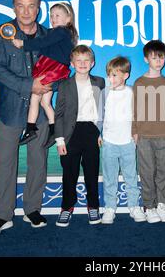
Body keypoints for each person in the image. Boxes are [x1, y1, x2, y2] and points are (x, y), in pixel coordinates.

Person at [0, 0, 51, 236]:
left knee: (38, 162)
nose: (26, 11)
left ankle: (32, 209)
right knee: (4, 164)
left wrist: (48, 83)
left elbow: (59, 68)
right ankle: (3, 215)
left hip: (41, 112)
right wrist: (29, 85)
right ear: (13, 7)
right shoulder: (0, 34)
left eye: (31, 5)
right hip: (10, 110)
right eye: (21, 6)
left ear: (38, 8)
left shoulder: (50, 36)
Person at [12, 2, 78, 148]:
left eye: (57, 16)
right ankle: (54, 130)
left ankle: (30, 128)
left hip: (50, 68)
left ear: (68, 19)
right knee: (45, 102)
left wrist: (23, 44)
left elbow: (42, 42)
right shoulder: (62, 34)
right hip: (53, 69)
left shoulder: (60, 32)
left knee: (35, 97)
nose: (53, 18)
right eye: (51, 16)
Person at [53, 45, 105, 227]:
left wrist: (101, 132)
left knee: (91, 172)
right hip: (70, 134)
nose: (82, 64)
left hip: (91, 132)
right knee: (69, 174)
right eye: (78, 61)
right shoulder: (64, 84)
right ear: (72, 63)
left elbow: (104, 110)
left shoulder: (100, 82)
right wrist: (59, 140)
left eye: (86, 61)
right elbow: (58, 114)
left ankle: (93, 206)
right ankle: (67, 207)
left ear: (92, 63)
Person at [132, 40, 165, 224]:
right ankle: (149, 206)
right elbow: (134, 109)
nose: (159, 61)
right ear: (146, 59)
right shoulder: (139, 82)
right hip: (144, 136)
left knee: (163, 172)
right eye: (154, 57)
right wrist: (135, 131)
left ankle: (161, 204)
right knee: (147, 172)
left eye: (162, 57)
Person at [100, 56, 146, 224]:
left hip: (128, 142)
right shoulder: (104, 93)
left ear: (125, 75)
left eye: (114, 75)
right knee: (109, 177)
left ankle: (134, 206)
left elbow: (138, 115)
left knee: (131, 177)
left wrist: (137, 132)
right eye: (109, 75)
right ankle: (110, 208)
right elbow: (99, 116)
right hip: (109, 143)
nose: (110, 79)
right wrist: (99, 134)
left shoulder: (132, 92)